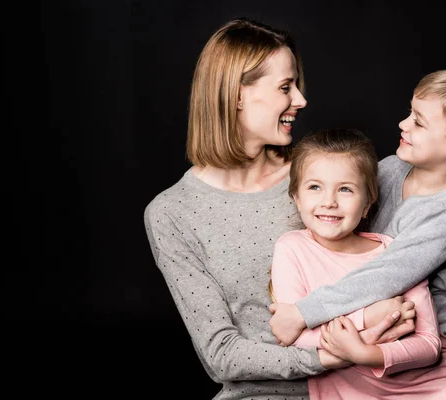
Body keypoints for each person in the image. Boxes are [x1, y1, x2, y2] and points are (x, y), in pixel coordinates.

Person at [143, 18, 417, 400]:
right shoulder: (172, 213)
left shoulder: (322, 181)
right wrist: (326, 357)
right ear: (237, 95)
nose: (301, 100)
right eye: (286, 87)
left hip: (368, 386)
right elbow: (220, 354)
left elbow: (401, 253)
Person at [269, 67, 446, 400]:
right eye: (409, 113)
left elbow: (388, 273)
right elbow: (367, 247)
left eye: (418, 121)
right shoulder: (390, 168)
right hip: (390, 342)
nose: (403, 124)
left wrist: (303, 312)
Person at [269, 127, 446, 399]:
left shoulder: (391, 251)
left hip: (438, 391)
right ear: (296, 197)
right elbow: (293, 334)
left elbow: (429, 345)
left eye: (345, 189)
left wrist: (365, 353)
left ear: (367, 204)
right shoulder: (292, 248)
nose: (329, 202)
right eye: (315, 187)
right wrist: (367, 321)